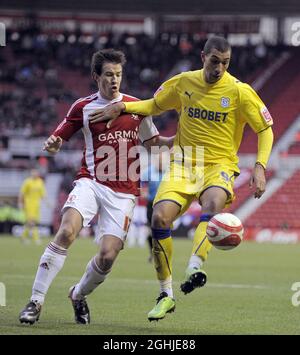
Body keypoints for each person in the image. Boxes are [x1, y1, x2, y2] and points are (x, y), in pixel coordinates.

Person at [88, 36, 274, 321]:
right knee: (159, 218)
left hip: (218, 164)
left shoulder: (240, 91)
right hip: (184, 162)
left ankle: (195, 266)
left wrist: (260, 166)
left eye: (225, 63)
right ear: (203, 57)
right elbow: (153, 105)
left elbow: (265, 129)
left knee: (212, 205)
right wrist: (123, 107)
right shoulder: (183, 82)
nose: (220, 68)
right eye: (215, 61)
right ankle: (166, 295)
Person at [19, 48, 174, 325]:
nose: (114, 80)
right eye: (108, 75)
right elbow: (59, 136)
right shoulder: (83, 107)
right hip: (90, 181)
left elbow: (153, 143)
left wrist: (175, 140)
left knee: (108, 256)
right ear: (96, 76)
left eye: (118, 75)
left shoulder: (136, 107)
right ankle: (35, 301)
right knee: (66, 231)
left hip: (124, 192)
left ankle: (78, 295)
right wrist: (54, 144)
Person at [18, 169, 46, 245]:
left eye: (36, 173)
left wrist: (48, 203)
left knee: (31, 223)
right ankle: (36, 238)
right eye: (33, 173)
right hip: (28, 204)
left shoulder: (40, 182)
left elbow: (42, 194)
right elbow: (22, 193)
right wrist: (20, 203)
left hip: (37, 205)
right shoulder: (27, 182)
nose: (34, 174)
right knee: (32, 222)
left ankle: (23, 237)